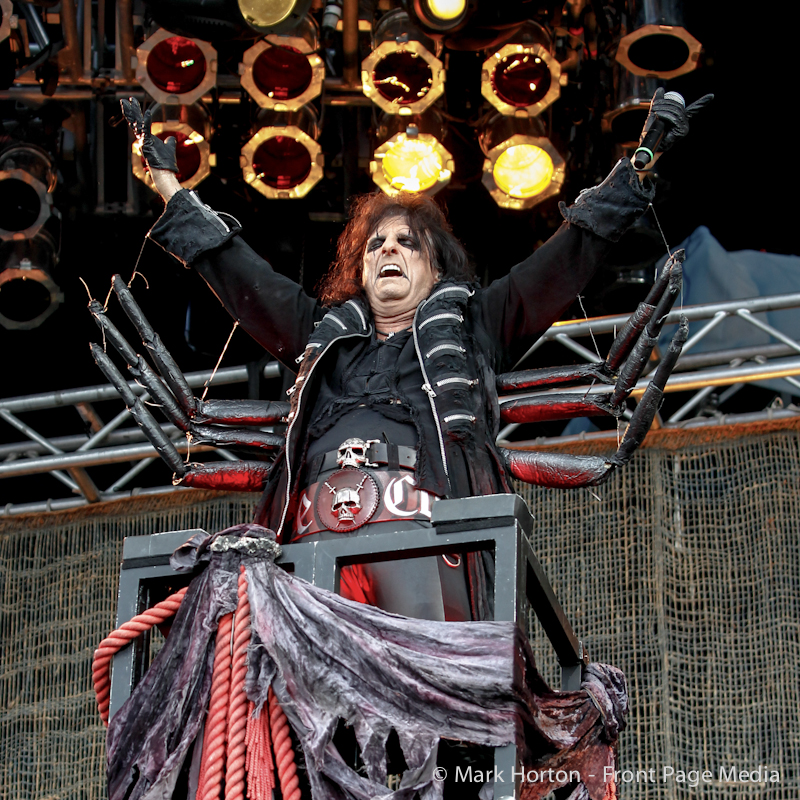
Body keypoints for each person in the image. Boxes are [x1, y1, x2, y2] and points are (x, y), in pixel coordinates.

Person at [121, 89, 708, 623]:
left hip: (427, 544)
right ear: (363, 270)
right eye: (375, 244)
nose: (388, 249)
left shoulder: (474, 324)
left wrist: (640, 165)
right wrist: (171, 188)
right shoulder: (319, 333)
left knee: (418, 694)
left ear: (435, 269)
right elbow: (236, 267)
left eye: (406, 241)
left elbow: (564, 257)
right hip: (308, 544)